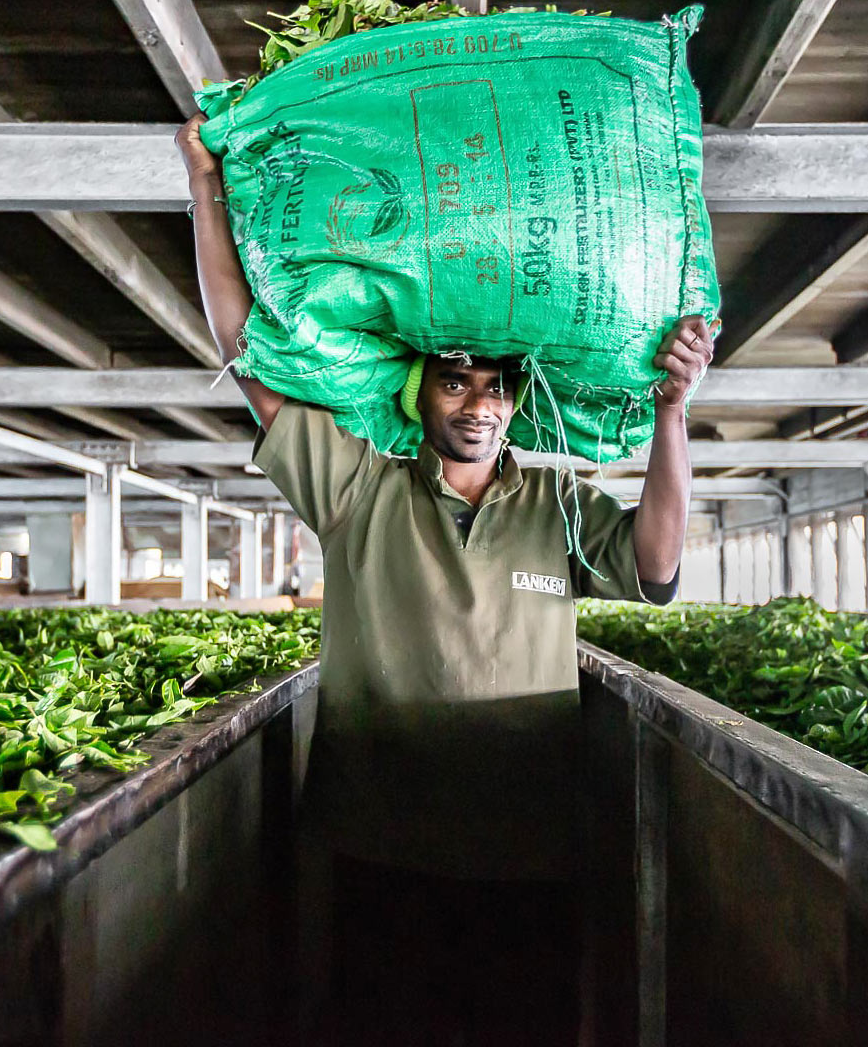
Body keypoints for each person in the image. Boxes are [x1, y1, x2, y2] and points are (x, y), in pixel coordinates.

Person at [178, 114, 713, 1044]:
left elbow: (657, 562)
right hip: (383, 847)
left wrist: (672, 412)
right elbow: (245, 350)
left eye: (497, 386)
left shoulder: (557, 502)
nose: (480, 405)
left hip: (530, 849)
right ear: (417, 393)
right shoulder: (356, 488)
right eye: (456, 383)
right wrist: (203, 185)